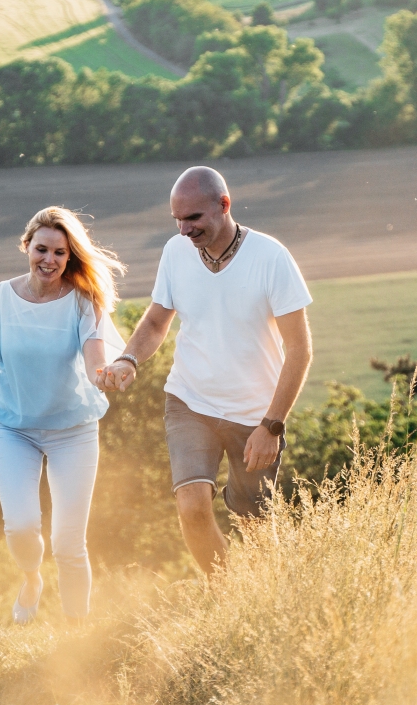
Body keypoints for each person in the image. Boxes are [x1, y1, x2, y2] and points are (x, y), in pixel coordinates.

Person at [100, 166, 312, 573]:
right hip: (190, 402)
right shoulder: (175, 251)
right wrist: (128, 359)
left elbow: (300, 350)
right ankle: (225, 591)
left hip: (255, 416)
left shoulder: (271, 258)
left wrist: (271, 426)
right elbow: (156, 321)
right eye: (177, 220)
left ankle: (263, 594)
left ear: (224, 205)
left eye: (193, 218)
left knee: (256, 526)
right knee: (192, 508)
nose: (184, 229)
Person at [0, 206, 125, 623]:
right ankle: (31, 579)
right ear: (26, 246)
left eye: (60, 253)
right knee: (21, 526)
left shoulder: (83, 302)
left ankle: (76, 633)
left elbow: (94, 358)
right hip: (13, 428)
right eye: (42, 249)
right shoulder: (0, 297)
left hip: (73, 430)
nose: (50, 260)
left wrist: (106, 376)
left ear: (70, 257)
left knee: (68, 543)